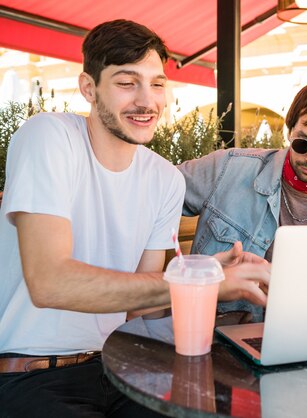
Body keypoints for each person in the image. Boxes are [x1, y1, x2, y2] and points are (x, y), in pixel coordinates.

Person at [0, 19, 269, 417]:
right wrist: (199, 280)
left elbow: (139, 311)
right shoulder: (49, 137)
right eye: (127, 82)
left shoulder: (164, 179)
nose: (147, 101)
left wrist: (206, 277)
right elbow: (49, 283)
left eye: (157, 83)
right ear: (89, 88)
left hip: (122, 368)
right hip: (35, 373)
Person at [178, 78, 307, 321]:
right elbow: (155, 191)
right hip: (213, 334)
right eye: (302, 144)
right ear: (289, 132)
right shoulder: (228, 168)